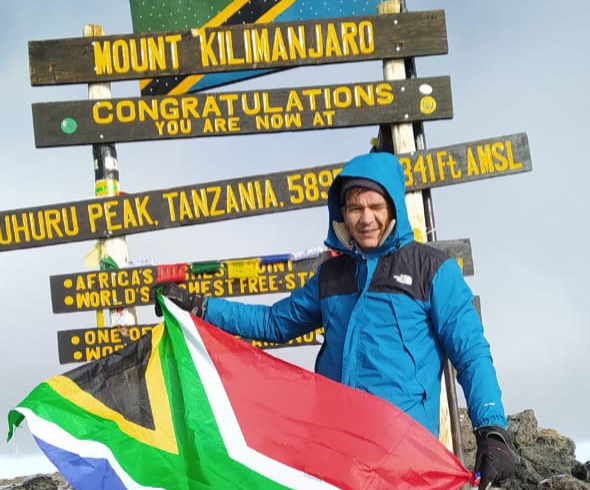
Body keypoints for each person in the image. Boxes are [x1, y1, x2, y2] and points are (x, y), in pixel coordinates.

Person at [154, 152, 517, 489]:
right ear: (342, 212)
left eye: (375, 206)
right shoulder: (331, 276)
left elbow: (470, 352)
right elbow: (273, 323)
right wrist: (200, 307)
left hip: (402, 457)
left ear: (393, 208)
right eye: (355, 207)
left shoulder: (432, 270)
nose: (366, 218)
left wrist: (492, 430)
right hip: (333, 452)